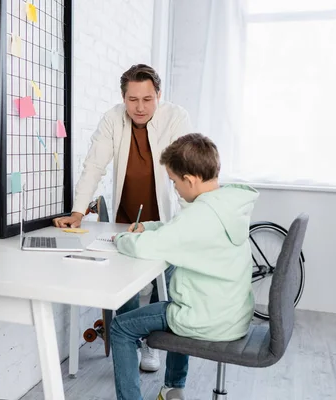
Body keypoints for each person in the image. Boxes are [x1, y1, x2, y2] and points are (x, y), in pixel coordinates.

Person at [53, 64, 192, 370]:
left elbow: (183, 170)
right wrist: (78, 212)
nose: (139, 107)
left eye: (147, 99)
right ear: (123, 97)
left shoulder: (176, 117)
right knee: (124, 283)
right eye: (132, 99)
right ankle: (134, 342)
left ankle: (153, 345)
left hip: (163, 219)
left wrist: (190, 221)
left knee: (165, 284)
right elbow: (94, 165)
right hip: (125, 216)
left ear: (158, 95)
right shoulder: (112, 119)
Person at [110, 133, 259, 400]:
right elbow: (178, 231)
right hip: (232, 315)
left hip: (206, 319)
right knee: (176, 306)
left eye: (174, 182)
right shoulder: (224, 205)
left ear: (189, 180)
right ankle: (173, 389)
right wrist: (149, 226)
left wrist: (121, 238)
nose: (175, 189)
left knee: (121, 327)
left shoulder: (199, 216)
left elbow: (146, 247)